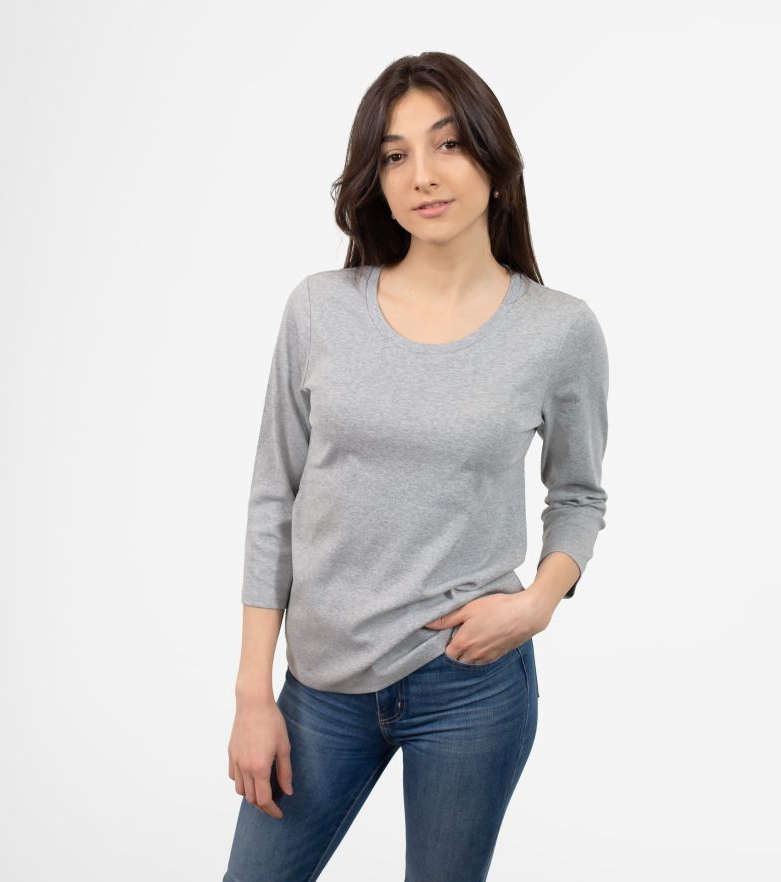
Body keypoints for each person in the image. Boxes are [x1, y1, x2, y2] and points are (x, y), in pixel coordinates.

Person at [223, 51, 609, 882]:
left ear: (494, 164)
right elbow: (272, 498)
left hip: (470, 684)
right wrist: (254, 693)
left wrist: (537, 603)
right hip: (321, 686)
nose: (423, 175)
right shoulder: (320, 309)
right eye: (395, 155)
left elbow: (578, 495)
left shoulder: (559, 330)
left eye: (448, 144)